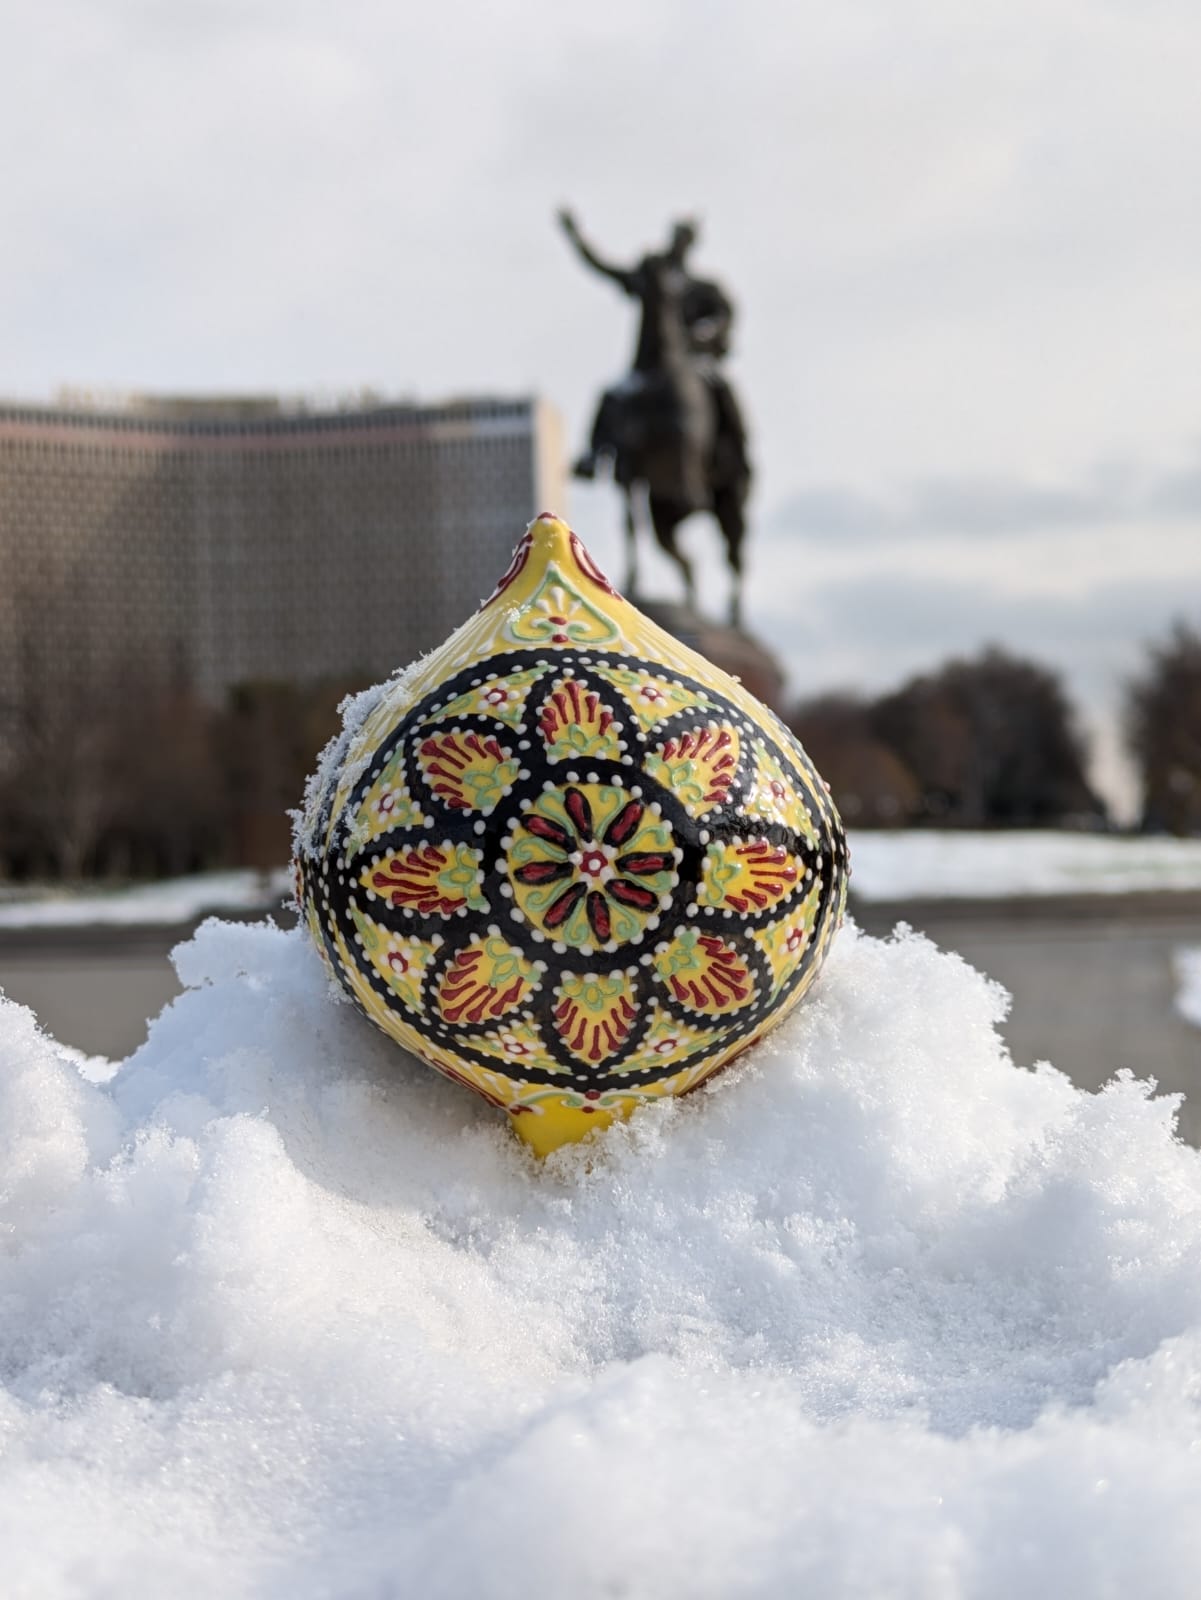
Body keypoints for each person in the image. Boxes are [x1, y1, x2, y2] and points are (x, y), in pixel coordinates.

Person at [558, 210, 749, 485]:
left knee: (722, 391)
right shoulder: (650, 278)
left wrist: (705, 336)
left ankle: (738, 454)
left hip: (692, 362)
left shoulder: (701, 287)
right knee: (610, 397)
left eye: (684, 239)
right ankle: (595, 456)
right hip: (647, 366)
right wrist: (576, 237)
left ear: (691, 245)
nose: (678, 244)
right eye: (676, 237)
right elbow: (604, 267)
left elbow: (726, 313)